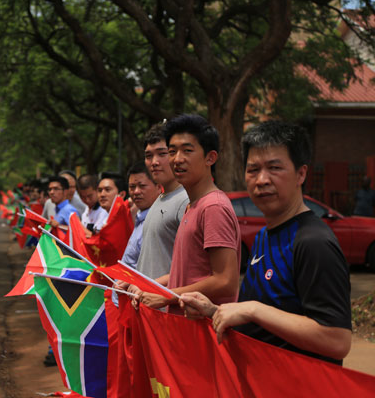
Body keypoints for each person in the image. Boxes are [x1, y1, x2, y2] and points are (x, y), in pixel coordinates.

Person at [180, 120, 352, 365]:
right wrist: (214, 311)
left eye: (274, 168)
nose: (261, 180)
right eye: (253, 170)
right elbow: (268, 317)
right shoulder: (263, 236)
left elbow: (337, 340)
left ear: (301, 173)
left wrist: (253, 310)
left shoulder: (313, 242)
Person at [133, 114, 241, 314]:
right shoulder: (192, 206)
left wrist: (168, 295)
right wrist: (145, 285)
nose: (177, 159)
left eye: (187, 151)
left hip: (200, 332)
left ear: (210, 157)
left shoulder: (213, 207)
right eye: (172, 152)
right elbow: (184, 273)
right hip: (181, 327)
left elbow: (226, 281)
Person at [135, 122, 189, 280]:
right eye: (148, 156)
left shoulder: (186, 201)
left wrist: (151, 286)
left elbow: (193, 269)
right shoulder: (159, 199)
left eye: (162, 153)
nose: (154, 162)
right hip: (147, 301)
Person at [120, 162, 162, 269]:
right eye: (132, 187)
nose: (136, 192)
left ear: (158, 187)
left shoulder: (159, 221)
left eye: (142, 186)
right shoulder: (139, 218)